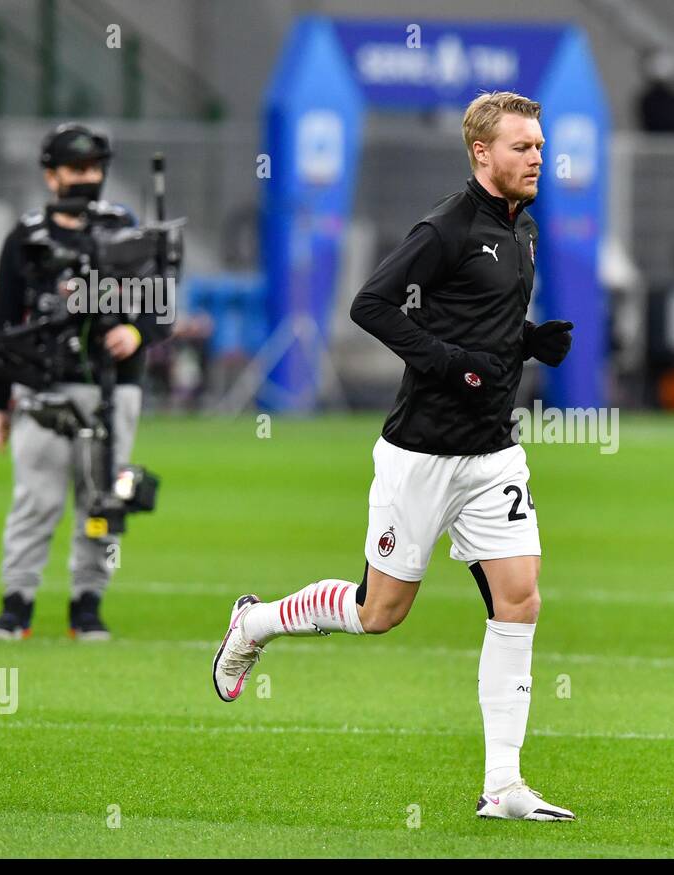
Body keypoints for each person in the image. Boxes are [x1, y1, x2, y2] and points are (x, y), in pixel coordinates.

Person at [212, 91, 578, 822]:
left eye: (539, 145)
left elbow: (482, 316)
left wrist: (526, 340)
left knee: (521, 597)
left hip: (494, 454)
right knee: (380, 612)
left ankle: (502, 785)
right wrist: (450, 363)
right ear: (482, 153)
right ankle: (256, 623)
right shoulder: (445, 227)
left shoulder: (524, 230)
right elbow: (371, 304)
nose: (536, 157)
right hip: (420, 453)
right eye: (521, 147)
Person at [0, 123, 168, 641]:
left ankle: (88, 605)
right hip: (42, 385)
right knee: (35, 498)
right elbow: (2, 323)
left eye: (94, 169)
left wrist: (135, 330)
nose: (87, 179)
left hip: (116, 386)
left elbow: (163, 303)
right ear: (51, 175)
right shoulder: (26, 237)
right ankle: (16, 604)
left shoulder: (124, 228)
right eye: (76, 169)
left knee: (103, 500)